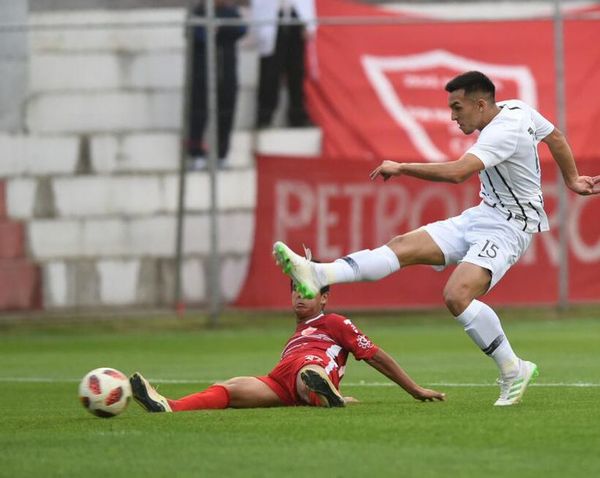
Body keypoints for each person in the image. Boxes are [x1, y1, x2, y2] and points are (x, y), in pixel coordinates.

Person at [272, 71, 600, 407]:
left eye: (457, 108)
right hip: (484, 214)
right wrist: (573, 179)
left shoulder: (503, 131)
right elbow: (556, 136)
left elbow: (458, 173)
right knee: (402, 246)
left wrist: (402, 167)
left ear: (481, 104)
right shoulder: (518, 109)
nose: (453, 116)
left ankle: (512, 368)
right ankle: (320, 273)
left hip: (510, 227)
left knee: (457, 295)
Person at [129, 278, 445, 412]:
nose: (299, 295)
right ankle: (170, 406)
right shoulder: (296, 334)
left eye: (307, 291)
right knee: (233, 386)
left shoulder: (335, 322)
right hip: (281, 379)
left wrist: (415, 389)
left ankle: (322, 392)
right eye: (295, 289)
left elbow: (375, 356)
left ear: (324, 298)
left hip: (313, 367)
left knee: (309, 371)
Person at [187, 0, 246, 170]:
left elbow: (240, 29)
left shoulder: (231, 12)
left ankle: (222, 154)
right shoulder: (199, 11)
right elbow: (196, 34)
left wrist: (219, 28)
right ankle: (196, 154)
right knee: (198, 113)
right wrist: (211, 31)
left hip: (226, 73)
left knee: (226, 112)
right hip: (202, 74)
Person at [251, 0, 315, 128]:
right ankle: (265, 116)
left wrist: (309, 25)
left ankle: (298, 116)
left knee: (297, 71)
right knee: (270, 72)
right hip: (272, 19)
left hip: (296, 19)